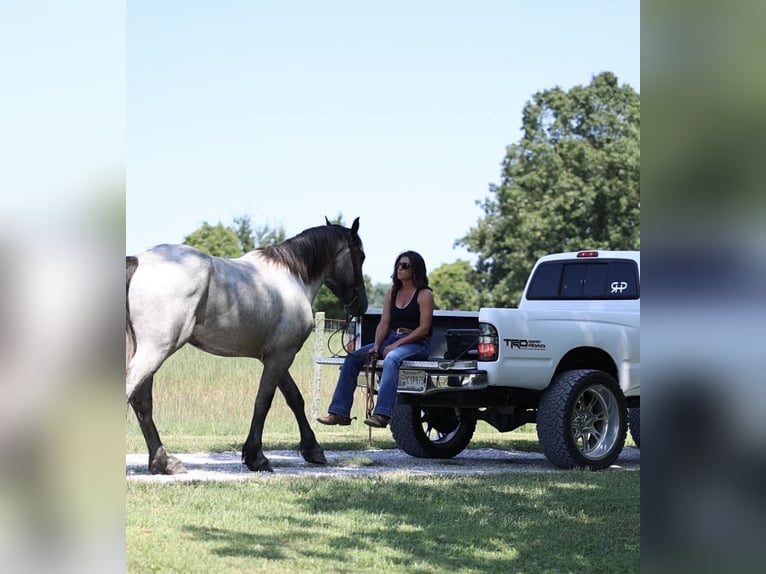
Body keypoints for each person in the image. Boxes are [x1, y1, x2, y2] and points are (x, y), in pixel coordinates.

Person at [317, 250, 434, 428]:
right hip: (392, 339)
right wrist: (377, 345)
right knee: (353, 358)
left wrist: (395, 345)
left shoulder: (424, 294)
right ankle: (339, 412)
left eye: (404, 265)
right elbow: (384, 323)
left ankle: (382, 415)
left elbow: (424, 329)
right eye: (398, 265)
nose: (399, 269)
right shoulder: (392, 293)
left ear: (415, 269)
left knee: (392, 357)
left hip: (416, 343)